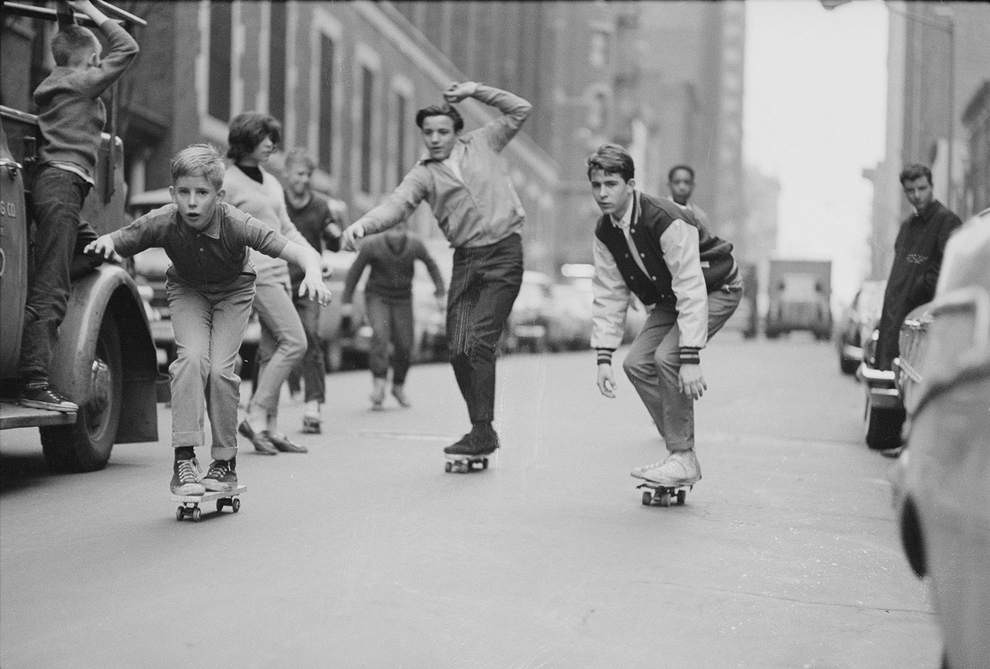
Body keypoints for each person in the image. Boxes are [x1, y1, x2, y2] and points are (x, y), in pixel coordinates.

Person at [83, 144, 330, 494]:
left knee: (219, 371)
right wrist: (103, 243)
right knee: (190, 362)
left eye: (202, 193)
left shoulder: (237, 223)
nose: (192, 202)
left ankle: (224, 464)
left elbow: (296, 250)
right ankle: (184, 460)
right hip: (188, 291)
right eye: (183, 193)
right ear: (173, 193)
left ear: (219, 195)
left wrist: (313, 273)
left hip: (234, 292)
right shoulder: (164, 220)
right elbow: (122, 237)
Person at [342, 81, 531, 458]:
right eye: (428, 133)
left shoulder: (484, 141)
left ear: (457, 132)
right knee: (458, 347)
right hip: (467, 258)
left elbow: (520, 109)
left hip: (504, 254)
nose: (435, 138)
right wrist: (362, 225)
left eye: (443, 131)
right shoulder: (424, 174)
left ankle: (481, 429)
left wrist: (476, 91)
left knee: (478, 340)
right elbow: (396, 205)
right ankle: (482, 429)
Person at [587, 144, 742, 488]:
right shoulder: (605, 231)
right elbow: (610, 292)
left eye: (610, 184)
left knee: (667, 357)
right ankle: (677, 445)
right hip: (672, 298)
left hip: (716, 287)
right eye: (596, 185)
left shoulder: (664, 218)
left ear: (630, 185)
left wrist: (690, 357)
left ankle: (683, 455)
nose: (602, 193)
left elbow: (691, 284)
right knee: (637, 363)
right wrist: (604, 356)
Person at [17, 0, 139, 412]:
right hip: (64, 186)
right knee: (51, 288)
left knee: (96, 252)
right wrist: (90, 6)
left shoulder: (62, 77)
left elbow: (69, 43)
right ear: (89, 61)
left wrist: (67, 11)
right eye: (97, 62)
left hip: (58, 185)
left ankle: (37, 291)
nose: (101, 66)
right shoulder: (83, 81)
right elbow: (128, 49)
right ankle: (35, 382)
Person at [223, 113, 319, 455]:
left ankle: (270, 428)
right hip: (257, 273)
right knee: (295, 342)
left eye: (271, 138)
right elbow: (219, 226)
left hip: (281, 273)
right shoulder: (228, 181)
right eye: (263, 138)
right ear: (245, 139)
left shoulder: (271, 181)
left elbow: (285, 228)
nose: (270, 144)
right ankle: (255, 412)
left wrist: (310, 257)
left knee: (270, 351)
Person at [341, 224, 446, 410]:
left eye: (399, 231)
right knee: (380, 335)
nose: (395, 235)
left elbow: (431, 264)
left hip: (403, 298)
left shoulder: (414, 244)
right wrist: (347, 302)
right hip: (377, 296)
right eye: (391, 231)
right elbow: (355, 271)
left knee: (405, 343)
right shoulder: (372, 245)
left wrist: (439, 292)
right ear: (385, 231)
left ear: (406, 230)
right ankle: (379, 384)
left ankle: (398, 385)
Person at [282, 148, 347, 434]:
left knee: (310, 335)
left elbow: (334, 244)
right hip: (280, 279)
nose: (304, 180)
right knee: (272, 342)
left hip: (310, 281)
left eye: (308, 175)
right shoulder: (278, 202)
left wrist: (336, 232)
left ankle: (313, 405)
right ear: (287, 175)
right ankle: (261, 409)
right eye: (299, 174)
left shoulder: (321, 206)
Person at [874, 164, 961, 372]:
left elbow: (945, 270)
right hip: (897, 318)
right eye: (910, 191)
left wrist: (917, 291)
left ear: (931, 186)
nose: (916, 195)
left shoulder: (946, 222)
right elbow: (899, 272)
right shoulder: (907, 227)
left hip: (920, 323)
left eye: (922, 189)